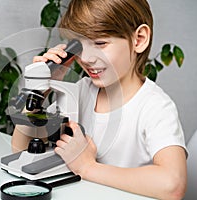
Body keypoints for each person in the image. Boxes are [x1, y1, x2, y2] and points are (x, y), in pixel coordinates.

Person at [12, 0, 187, 199]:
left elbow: (173, 184)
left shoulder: (154, 106)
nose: (86, 58)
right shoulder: (80, 91)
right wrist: (39, 90)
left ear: (139, 39)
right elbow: (21, 148)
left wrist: (87, 167)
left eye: (100, 43)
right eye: (79, 45)